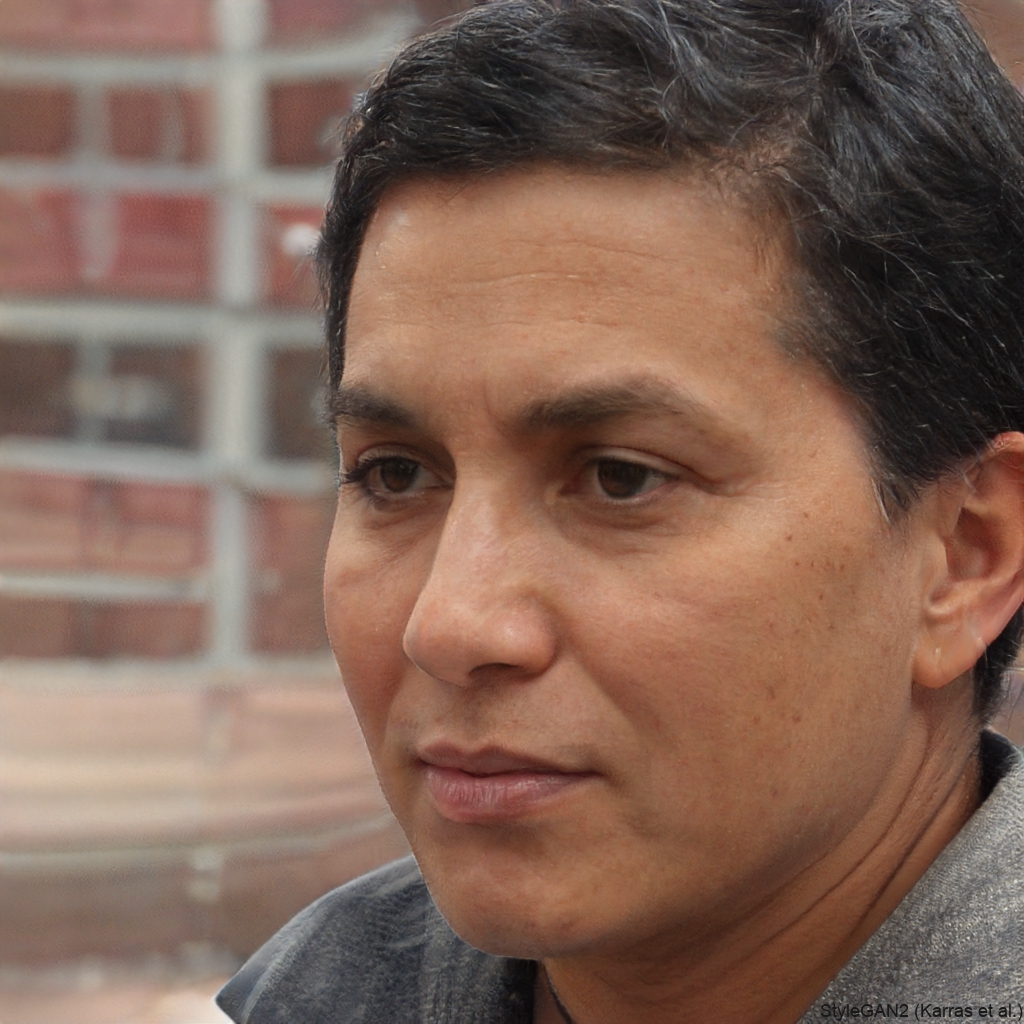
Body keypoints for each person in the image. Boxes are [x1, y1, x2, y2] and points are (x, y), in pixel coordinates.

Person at [217, 1, 1024, 1021]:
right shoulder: (322, 992)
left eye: (620, 479)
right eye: (395, 476)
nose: (451, 624)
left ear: (966, 554)